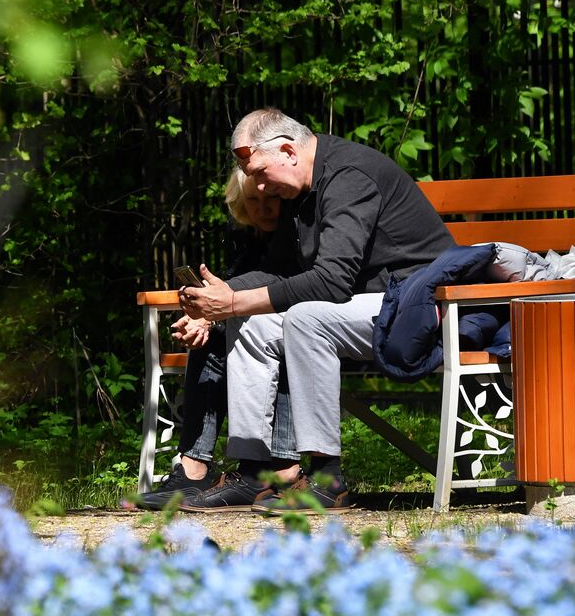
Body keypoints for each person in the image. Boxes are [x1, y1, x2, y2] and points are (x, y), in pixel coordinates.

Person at [176, 108, 454, 513]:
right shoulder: (298, 188)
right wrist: (215, 305)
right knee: (250, 322)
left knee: (307, 318)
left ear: (288, 150)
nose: (258, 186)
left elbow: (331, 281)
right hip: (366, 306)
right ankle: (258, 473)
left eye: (258, 172)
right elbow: (278, 271)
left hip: (419, 305)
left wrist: (232, 301)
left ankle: (328, 480)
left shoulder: (349, 176)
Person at [137, 170, 300, 510]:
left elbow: (290, 292)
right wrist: (205, 320)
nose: (263, 208)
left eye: (271, 199)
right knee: (211, 338)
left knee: (280, 338)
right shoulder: (242, 234)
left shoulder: (300, 230)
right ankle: (193, 469)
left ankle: (281, 468)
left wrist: (215, 317)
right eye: (252, 201)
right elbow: (237, 296)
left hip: (303, 325)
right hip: (254, 325)